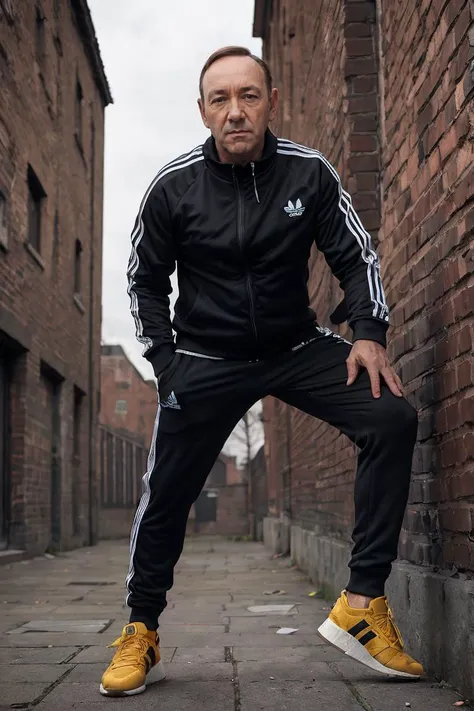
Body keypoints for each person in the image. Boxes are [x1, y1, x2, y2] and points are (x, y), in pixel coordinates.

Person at [99, 46, 423, 697]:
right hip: (203, 360)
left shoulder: (307, 173)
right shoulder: (174, 186)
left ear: (270, 101)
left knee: (391, 413)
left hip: (295, 348)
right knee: (166, 492)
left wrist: (367, 333)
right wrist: (165, 368)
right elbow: (143, 281)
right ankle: (141, 628)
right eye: (220, 99)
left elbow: (356, 255)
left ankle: (362, 604)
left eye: (248, 95)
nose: (235, 111)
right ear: (203, 110)